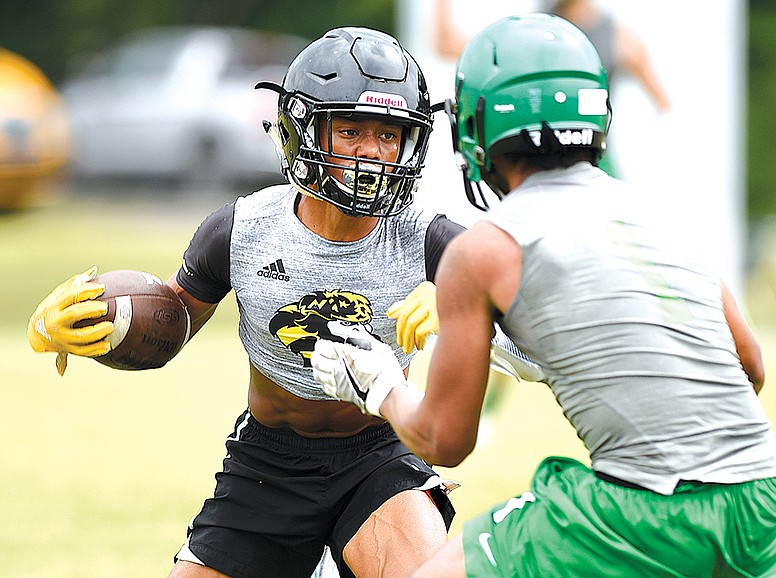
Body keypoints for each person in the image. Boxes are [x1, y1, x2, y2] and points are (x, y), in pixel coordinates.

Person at [311, 14, 776, 577]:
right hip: (768, 502)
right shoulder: (659, 217)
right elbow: (749, 367)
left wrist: (378, 384)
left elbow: (443, 441)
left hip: (643, 509)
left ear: (477, 124)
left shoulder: (486, 248)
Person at [26, 27, 464, 578]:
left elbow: (527, 295)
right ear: (299, 131)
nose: (373, 152)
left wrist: (466, 298)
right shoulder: (242, 229)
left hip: (378, 454)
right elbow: (172, 321)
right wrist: (86, 323)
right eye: (351, 130)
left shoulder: (430, 238)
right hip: (269, 463)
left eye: (389, 134)